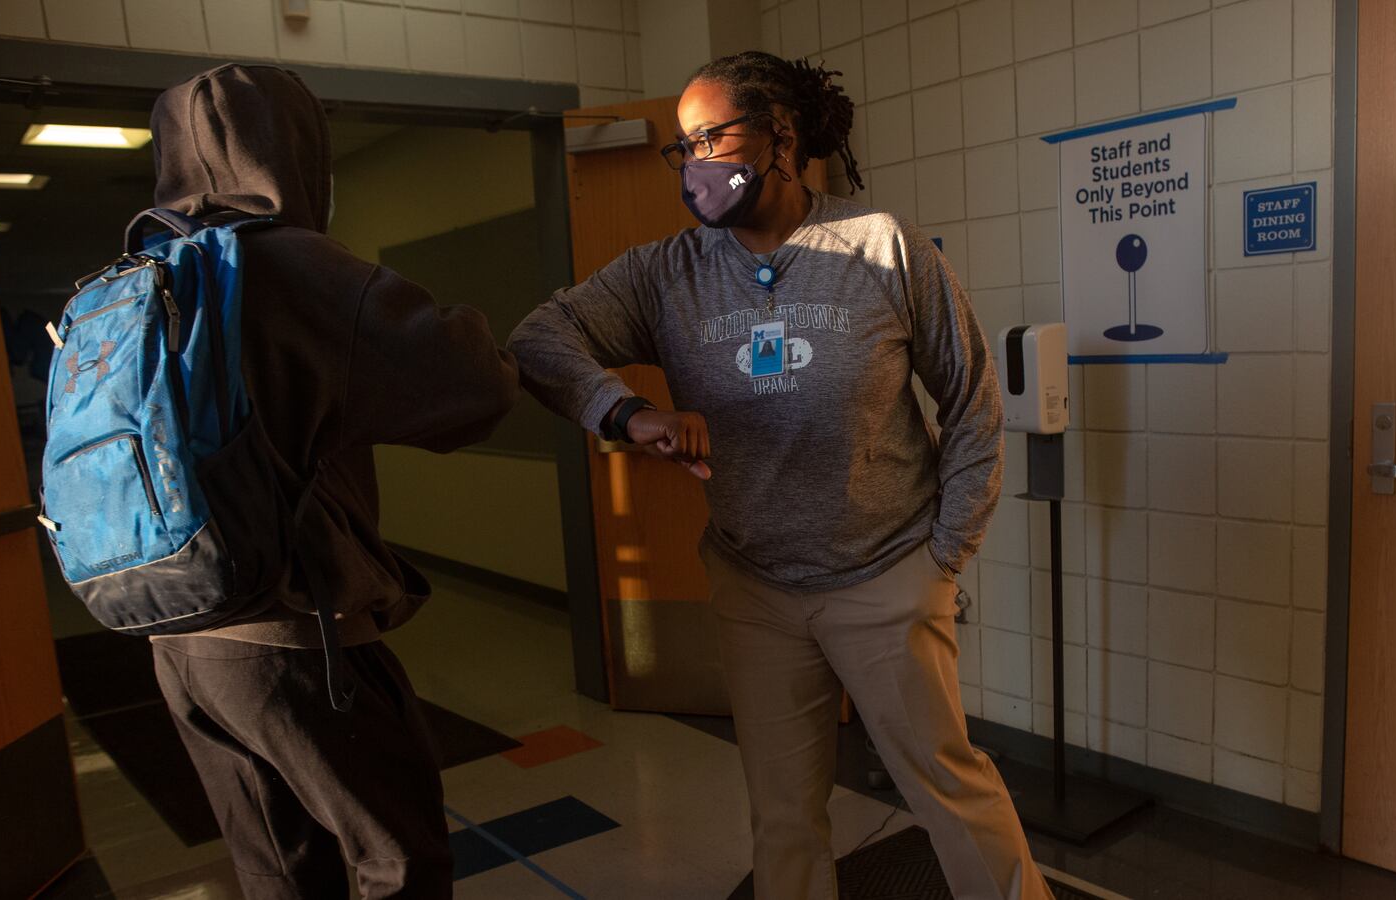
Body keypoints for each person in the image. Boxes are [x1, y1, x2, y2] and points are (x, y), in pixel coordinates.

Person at [508, 51, 1052, 900]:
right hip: (758, 588)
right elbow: (539, 340)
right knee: (784, 815)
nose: (695, 164)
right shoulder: (666, 275)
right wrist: (625, 412)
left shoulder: (880, 247)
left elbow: (975, 397)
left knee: (949, 789)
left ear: (781, 139)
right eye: (682, 149)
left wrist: (942, 557)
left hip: (887, 575)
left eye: (712, 138)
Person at [144, 64, 518, 899]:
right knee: (398, 860)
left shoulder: (145, 272)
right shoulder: (288, 265)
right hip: (291, 637)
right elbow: (473, 386)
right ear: (300, 153)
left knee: (279, 870)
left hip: (180, 636)